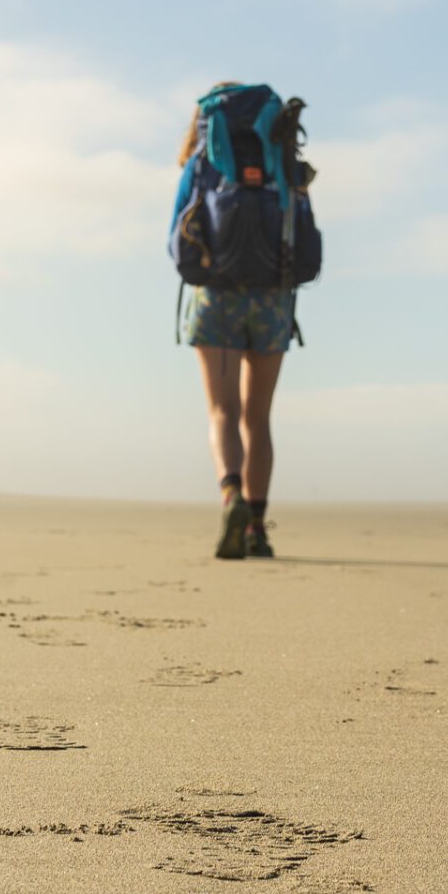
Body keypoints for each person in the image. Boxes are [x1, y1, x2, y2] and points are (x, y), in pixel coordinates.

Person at [170, 84, 298, 561]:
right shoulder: (277, 155)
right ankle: (258, 531)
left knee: (223, 412)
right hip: (272, 297)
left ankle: (231, 499)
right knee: (258, 416)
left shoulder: (202, 158)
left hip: (216, 294)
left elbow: (175, 234)